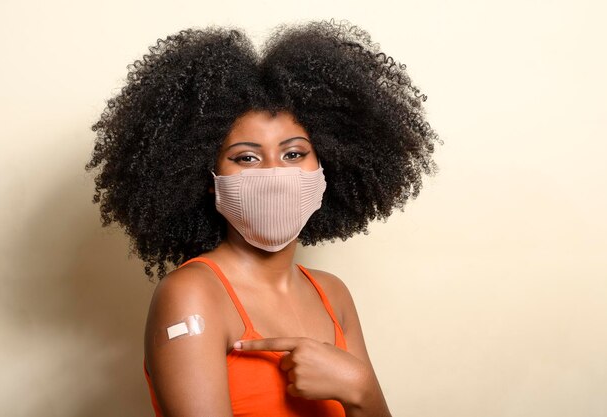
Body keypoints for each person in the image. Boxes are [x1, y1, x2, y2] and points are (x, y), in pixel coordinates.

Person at [85, 18, 439, 417]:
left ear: (327, 165)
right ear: (207, 176)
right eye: (247, 157)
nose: (275, 175)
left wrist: (359, 388)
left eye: (293, 153)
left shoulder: (332, 294)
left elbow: (365, 401)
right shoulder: (192, 295)